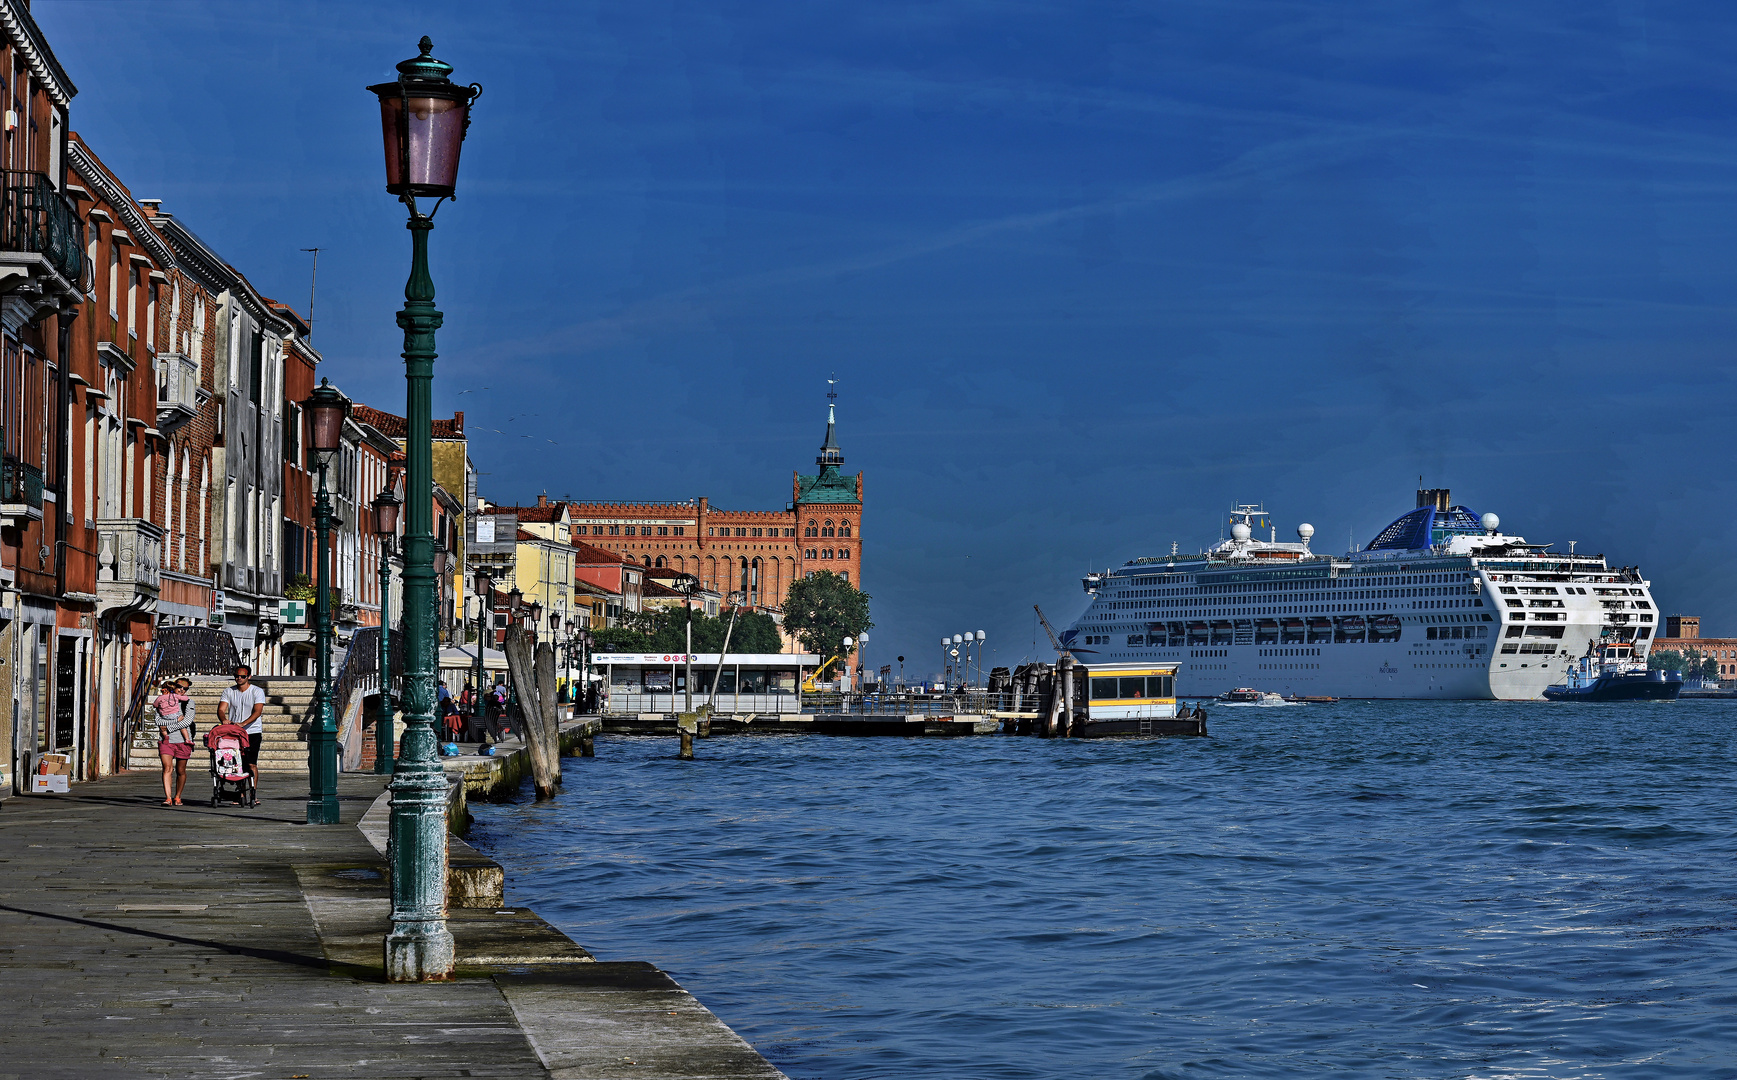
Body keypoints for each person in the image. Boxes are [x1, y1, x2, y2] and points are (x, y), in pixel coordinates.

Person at [217, 664, 268, 792]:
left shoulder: (257, 691)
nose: (239, 678)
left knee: (251, 763)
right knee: (237, 763)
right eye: (236, 676)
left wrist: (243, 724)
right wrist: (223, 720)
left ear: (249, 677)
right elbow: (221, 709)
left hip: (252, 731)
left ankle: (252, 793)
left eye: (242, 676)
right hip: (234, 732)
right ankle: (240, 792)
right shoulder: (229, 691)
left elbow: (257, 711)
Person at [155, 678, 195, 805]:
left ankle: (177, 796)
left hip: (183, 741)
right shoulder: (163, 699)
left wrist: (168, 727)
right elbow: (158, 721)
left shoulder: (188, 702)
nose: (182, 690)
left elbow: (187, 721)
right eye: (179, 687)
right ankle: (168, 798)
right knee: (167, 768)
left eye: (185, 688)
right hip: (166, 741)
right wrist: (176, 721)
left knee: (181, 770)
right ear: (173, 687)